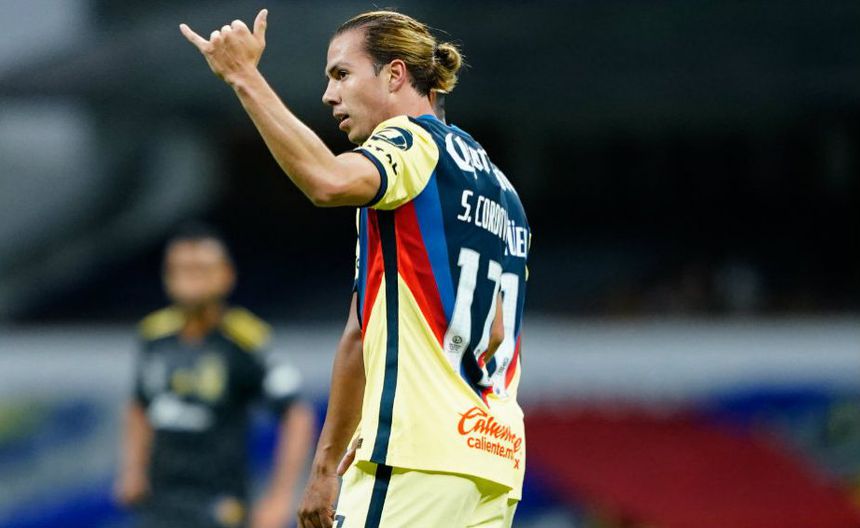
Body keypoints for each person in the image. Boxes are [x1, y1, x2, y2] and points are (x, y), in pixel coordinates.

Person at [180, 9, 530, 528]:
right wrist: (326, 467)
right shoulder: (503, 192)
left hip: (416, 457)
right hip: (493, 463)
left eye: (341, 74)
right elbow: (375, 333)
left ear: (395, 75)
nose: (329, 95)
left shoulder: (412, 143)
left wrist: (243, 76)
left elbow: (327, 181)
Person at [115, 225, 315, 528]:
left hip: (220, 503)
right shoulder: (154, 336)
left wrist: (280, 497)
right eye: (182, 269)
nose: (191, 279)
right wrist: (133, 469)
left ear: (226, 275)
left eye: (201, 269)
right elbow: (139, 404)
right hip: (159, 502)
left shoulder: (245, 340)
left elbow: (297, 414)